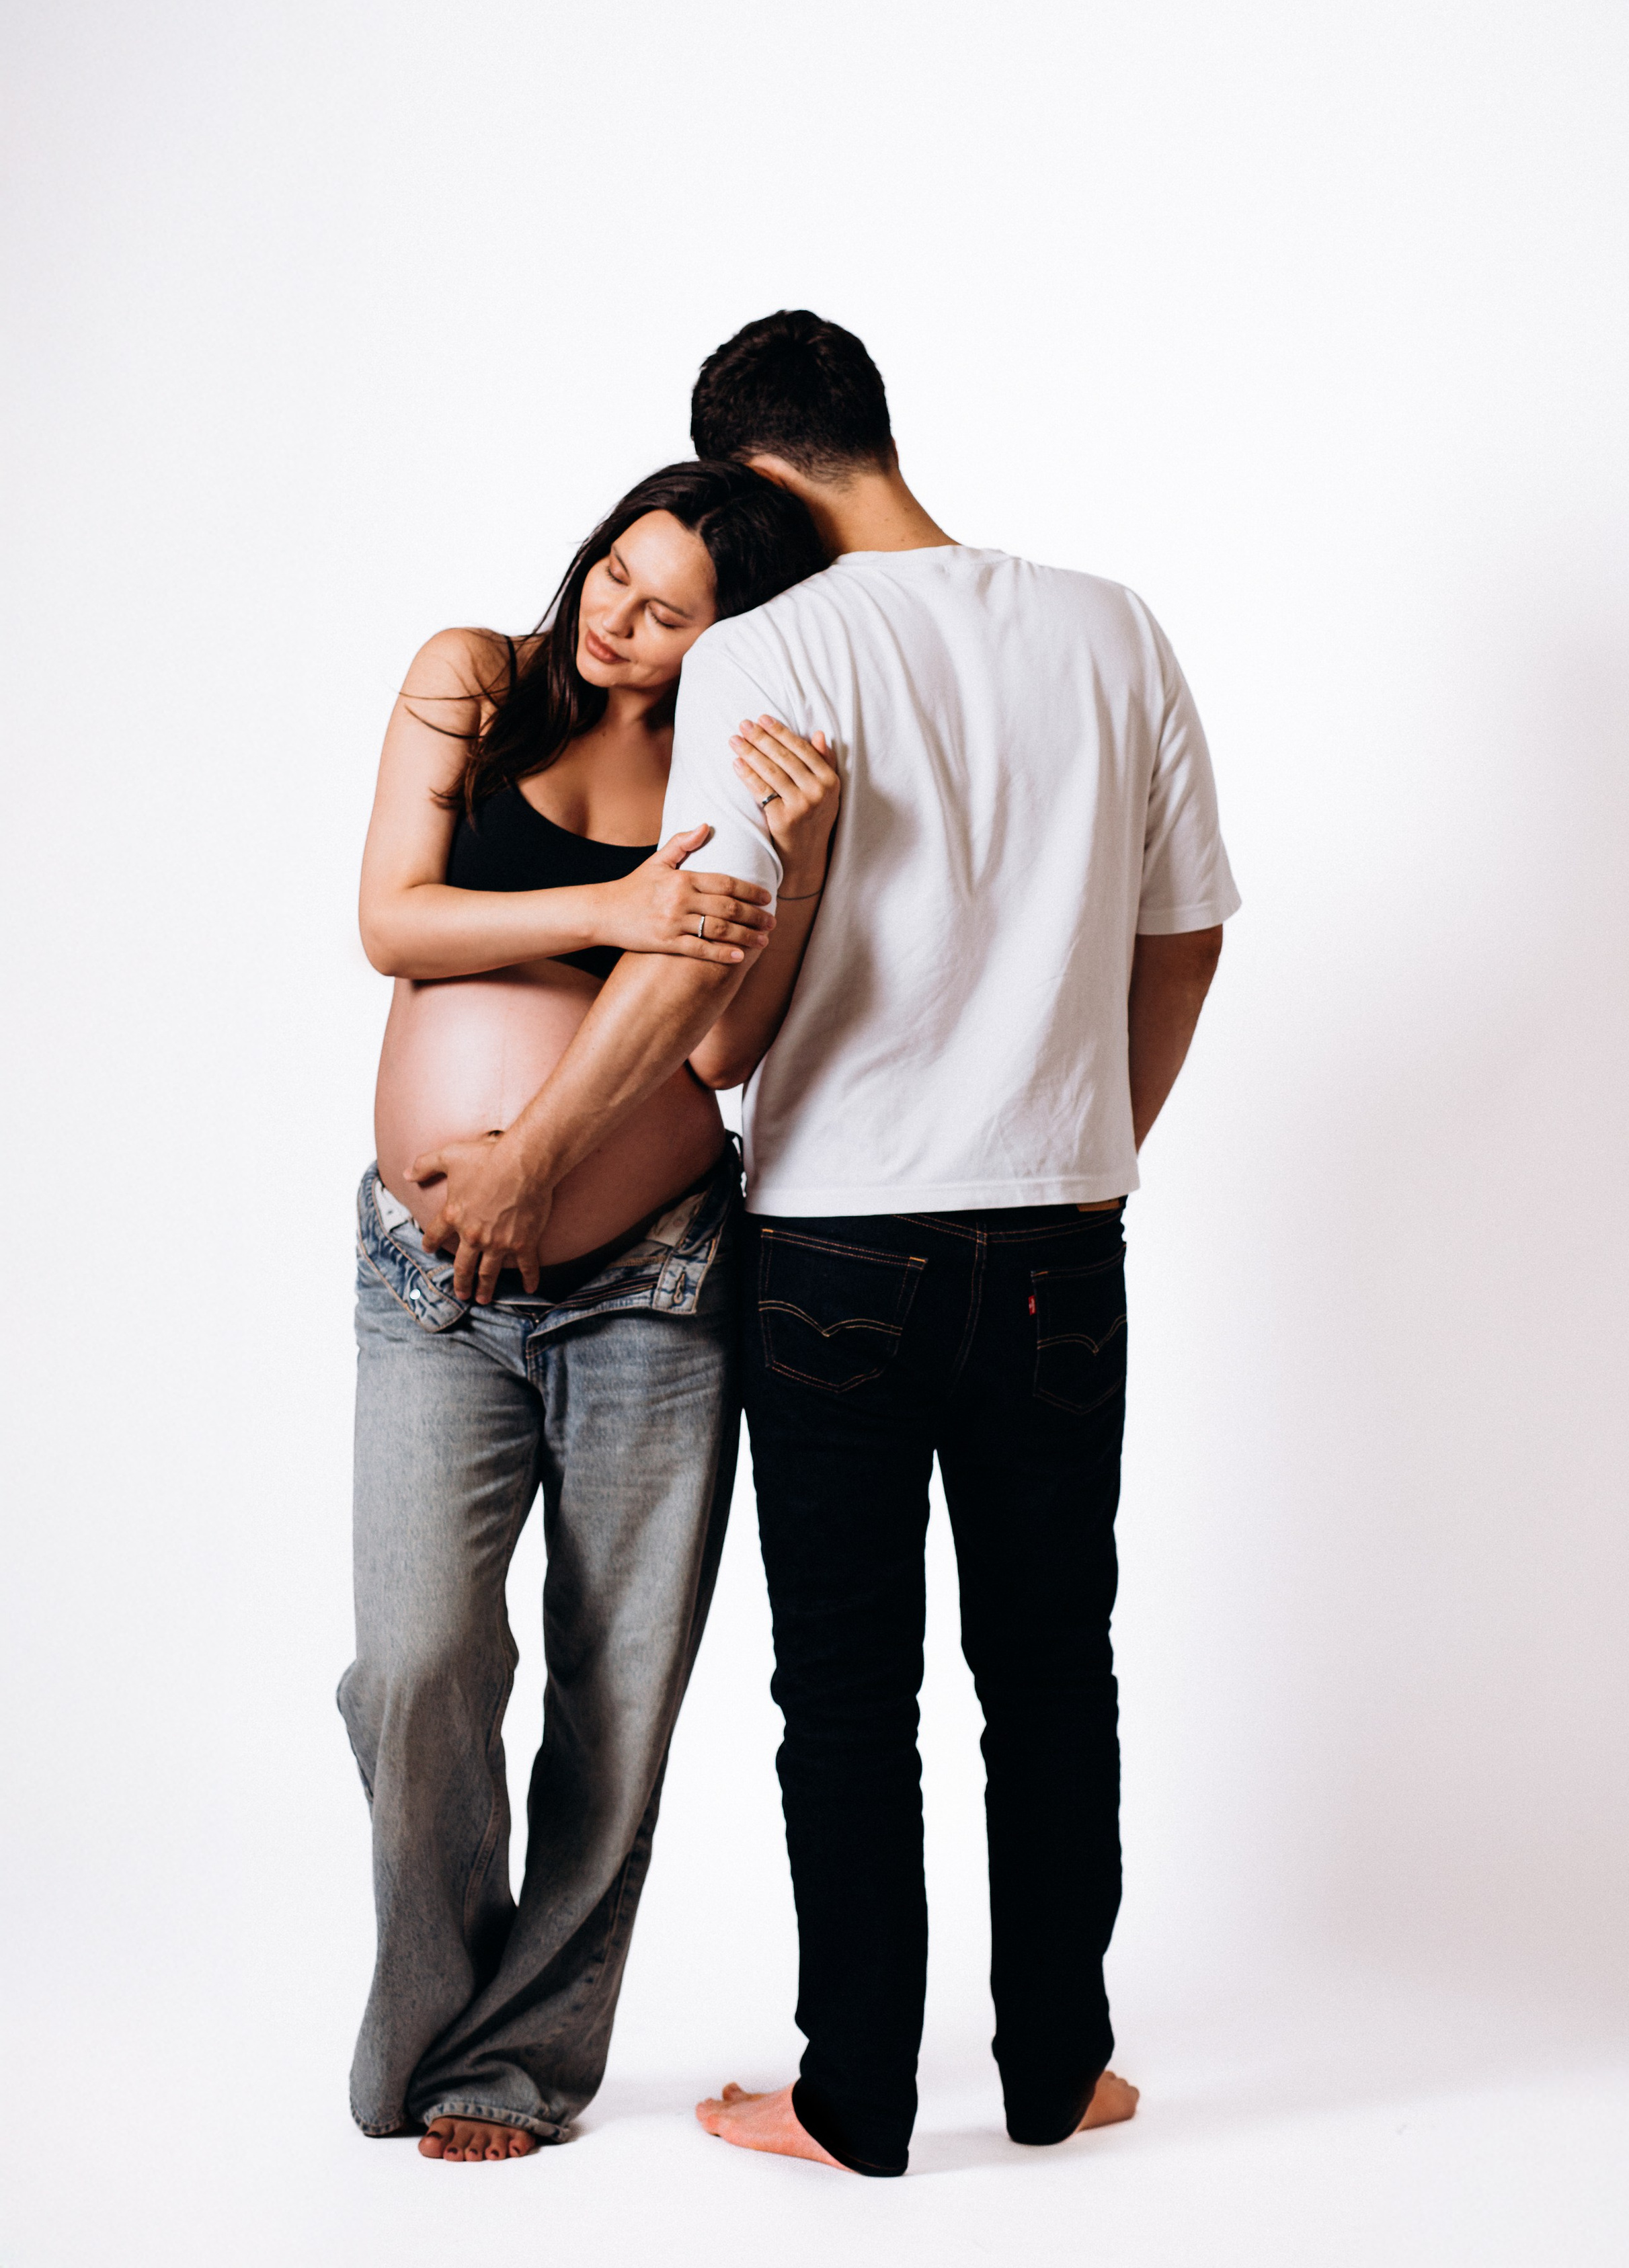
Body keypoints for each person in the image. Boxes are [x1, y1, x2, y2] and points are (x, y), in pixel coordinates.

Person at [414, 313, 1240, 2178]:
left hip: (841, 1248)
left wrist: (533, 1158)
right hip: (1058, 1241)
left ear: (754, 477)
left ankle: (855, 2097)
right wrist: (1093, 1143)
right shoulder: (1116, 627)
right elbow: (1185, 936)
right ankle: (1060, 2074)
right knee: (1053, 1669)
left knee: (849, 1695)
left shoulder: (769, 650)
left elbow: (699, 974)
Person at [340, 458, 842, 2160]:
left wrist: (810, 850)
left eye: (665, 611)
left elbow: (720, 1050)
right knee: (417, 1666)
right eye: (613, 574)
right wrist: (612, 907)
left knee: (614, 1692)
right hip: (429, 1282)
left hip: (656, 1281)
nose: (613, 617)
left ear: (731, 642)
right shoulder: (471, 675)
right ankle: (425, 2006)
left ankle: (514, 2063)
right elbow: (390, 921)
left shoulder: (725, 759)